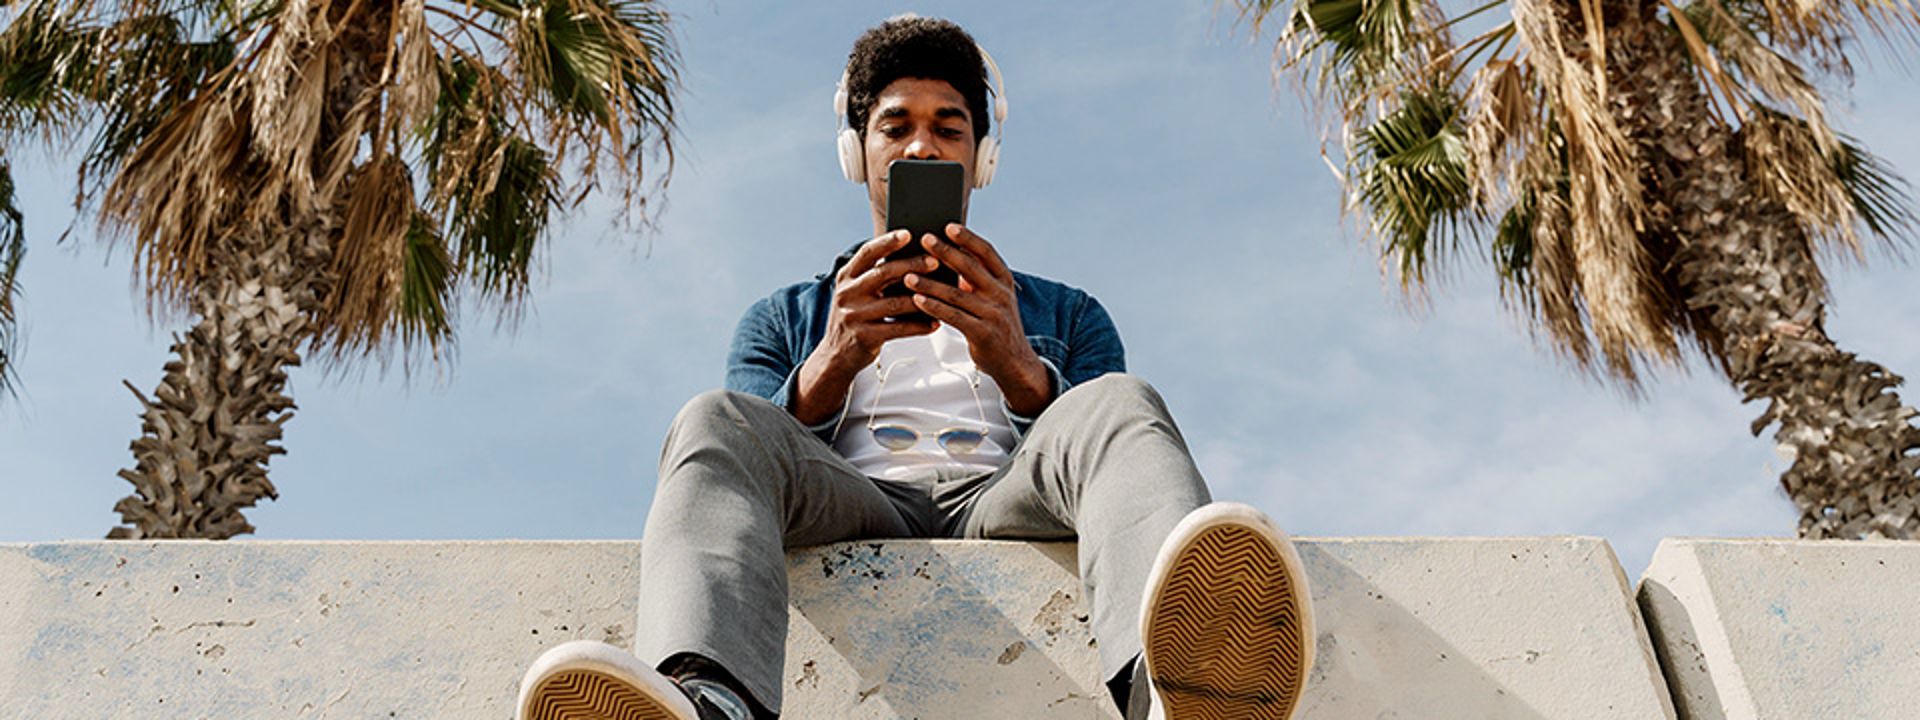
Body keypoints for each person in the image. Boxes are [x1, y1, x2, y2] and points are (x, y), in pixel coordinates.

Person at [515, 15, 1314, 720]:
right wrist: (834, 357)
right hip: (855, 500)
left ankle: (1178, 691)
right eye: (895, 126)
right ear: (856, 153)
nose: (923, 145)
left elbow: (1098, 452)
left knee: (1120, 400)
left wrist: (1018, 367)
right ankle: (709, 704)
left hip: (1001, 499)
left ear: (981, 157)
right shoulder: (784, 318)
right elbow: (735, 469)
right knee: (711, 417)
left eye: (950, 128)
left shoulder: (1068, 313)